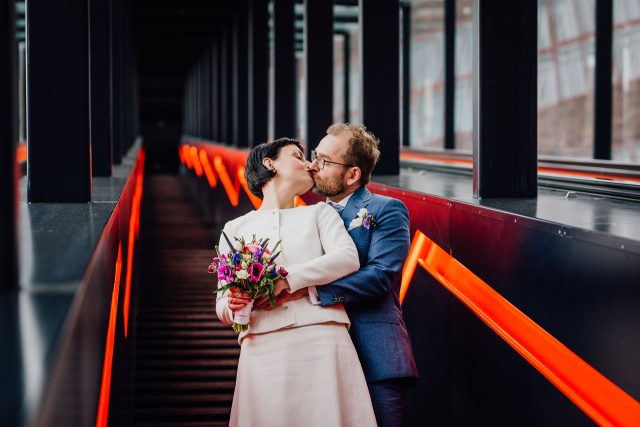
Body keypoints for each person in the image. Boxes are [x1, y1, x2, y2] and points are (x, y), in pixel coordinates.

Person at [261, 124, 419, 427]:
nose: (313, 165)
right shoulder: (306, 216)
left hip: (375, 356)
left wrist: (310, 290)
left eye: (324, 161)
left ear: (352, 175)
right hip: (319, 360)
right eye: (314, 156)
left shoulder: (386, 210)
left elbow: (380, 276)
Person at [216, 137, 377, 427]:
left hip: (323, 337)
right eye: (299, 156)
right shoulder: (234, 228)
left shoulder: (320, 212)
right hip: (262, 344)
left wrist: (287, 280)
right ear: (270, 163)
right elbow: (222, 307)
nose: (311, 164)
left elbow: (347, 258)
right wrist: (232, 304)